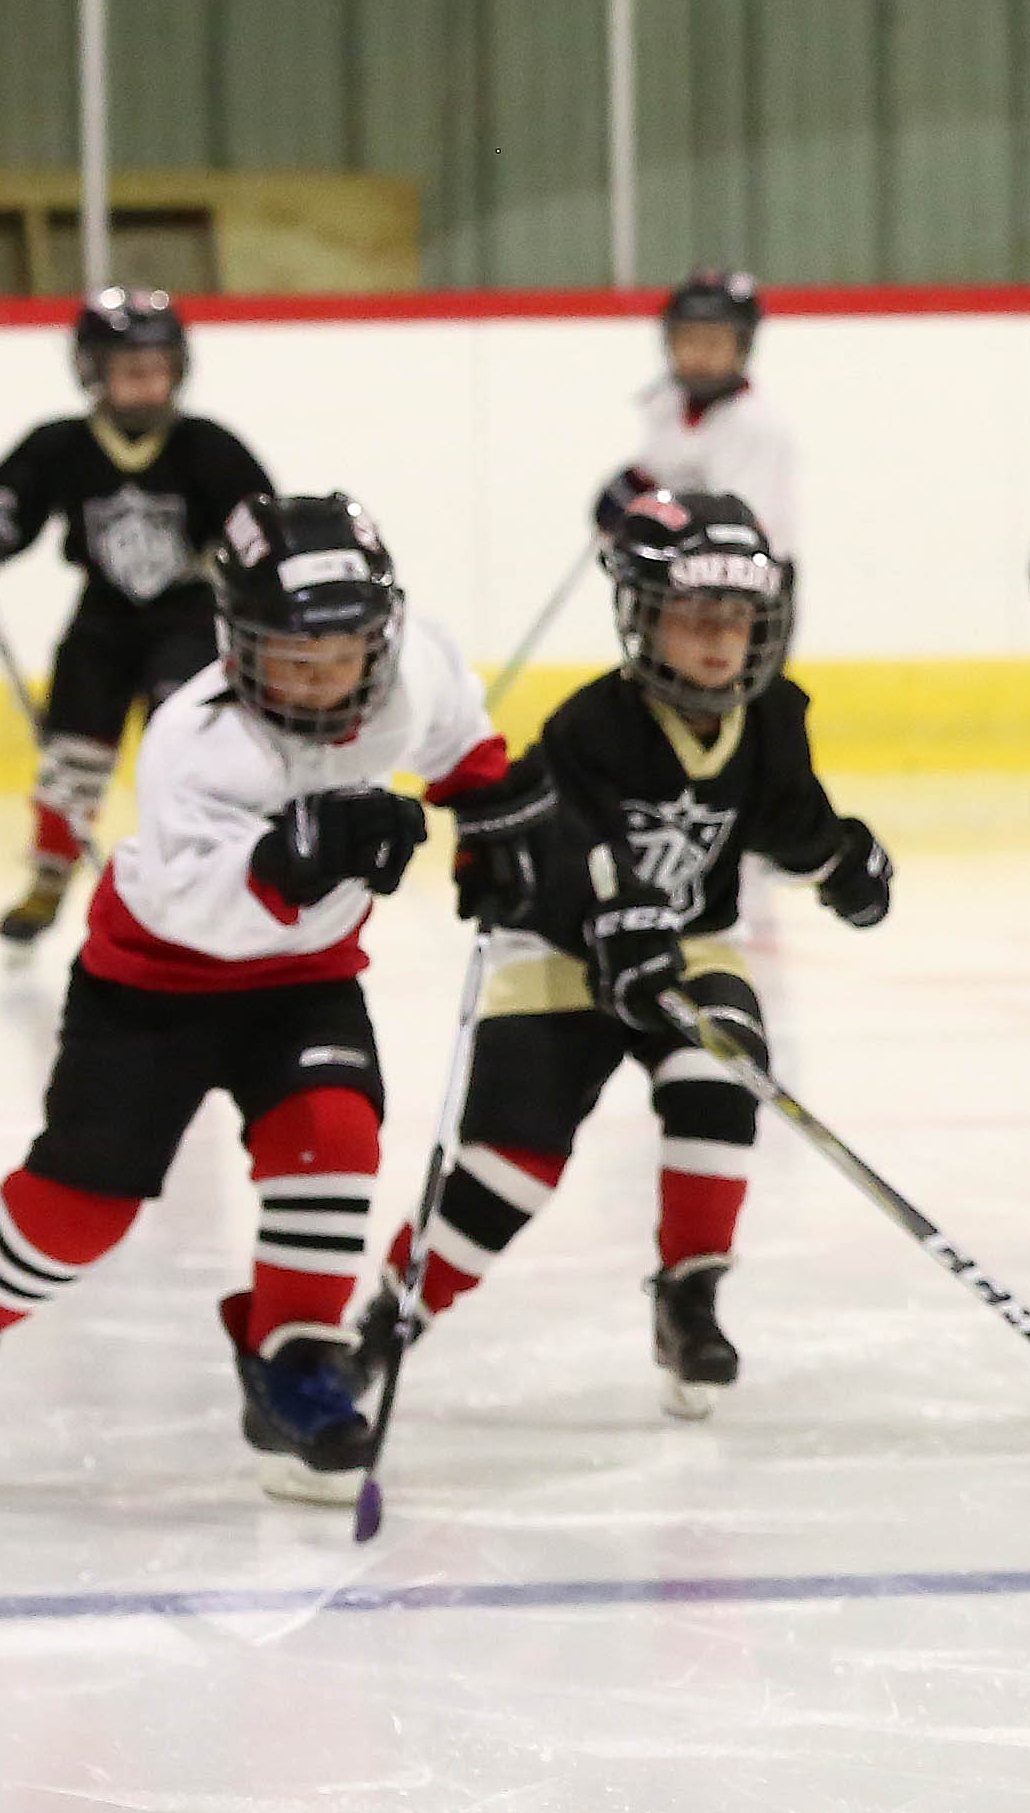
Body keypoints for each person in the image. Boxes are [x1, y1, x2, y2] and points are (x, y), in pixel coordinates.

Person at [0, 495, 533, 1502]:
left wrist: (494, 818)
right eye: (290, 654)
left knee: (334, 1137)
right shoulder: (194, 741)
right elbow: (198, 908)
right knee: (84, 1206)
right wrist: (303, 855)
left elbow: (461, 735)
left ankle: (292, 1364)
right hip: (154, 987)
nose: (317, 675)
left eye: (340, 652)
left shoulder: (406, 670)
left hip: (303, 984)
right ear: (236, 642)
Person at [367, 491, 892, 1418]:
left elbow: (789, 818)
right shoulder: (589, 728)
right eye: (695, 617)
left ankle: (690, 1297)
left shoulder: (773, 716)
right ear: (641, 617)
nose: (721, 641)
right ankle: (388, 1320)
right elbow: (548, 855)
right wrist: (599, 914)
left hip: (689, 946)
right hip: (559, 955)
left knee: (721, 1076)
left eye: (737, 618)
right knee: (508, 1166)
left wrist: (843, 862)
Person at [0, 288, 277, 945]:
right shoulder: (60, 445)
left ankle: (202, 868)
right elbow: (8, 505)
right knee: (72, 750)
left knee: (191, 741)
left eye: (159, 364)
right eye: (129, 366)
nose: (147, 380)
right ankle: (51, 876)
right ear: (92, 371)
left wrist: (269, 578)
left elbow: (258, 524)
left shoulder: (208, 446)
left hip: (190, 615)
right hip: (103, 619)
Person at [596, 269, 801, 559]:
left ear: (742, 346)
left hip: (746, 590)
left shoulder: (756, 427)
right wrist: (636, 495)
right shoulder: (667, 405)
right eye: (688, 340)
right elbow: (664, 471)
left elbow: (742, 536)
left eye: (713, 343)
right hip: (679, 586)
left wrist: (656, 518)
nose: (698, 354)